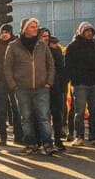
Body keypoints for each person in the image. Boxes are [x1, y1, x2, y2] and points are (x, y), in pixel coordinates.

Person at [4, 18, 57, 156]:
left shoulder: (42, 45)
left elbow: (50, 64)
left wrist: (49, 82)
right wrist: (13, 85)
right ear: (24, 28)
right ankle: (30, 144)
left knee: (43, 117)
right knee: (26, 118)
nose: (35, 29)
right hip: (22, 88)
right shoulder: (13, 46)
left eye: (36, 26)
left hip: (41, 87)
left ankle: (48, 144)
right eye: (32, 26)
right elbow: (7, 67)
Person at [66, 22, 95, 146]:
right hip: (80, 84)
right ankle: (79, 136)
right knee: (80, 111)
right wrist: (75, 80)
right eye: (86, 31)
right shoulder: (73, 46)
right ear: (81, 32)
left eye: (91, 31)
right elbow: (68, 65)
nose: (89, 33)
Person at [0, 23, 22, 146]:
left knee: (16, 109)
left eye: (7, 32)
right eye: (2, 32)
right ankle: (3, 136)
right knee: (1, 109)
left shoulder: (16, 46)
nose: (4, 34)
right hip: (1, 82)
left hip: (14, 81)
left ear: (11, 33)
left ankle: (18, 135)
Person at [40, 28, 69, 151]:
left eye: (47, 36)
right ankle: (46, 141)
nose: (46, 38)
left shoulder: (55, 52)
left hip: (56, 88)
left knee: (57, 114)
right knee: (44, 116)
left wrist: (62, 86)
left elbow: (62, 70)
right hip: (42, 88)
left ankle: (57, 139)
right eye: (43, 36)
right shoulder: (36, 53)